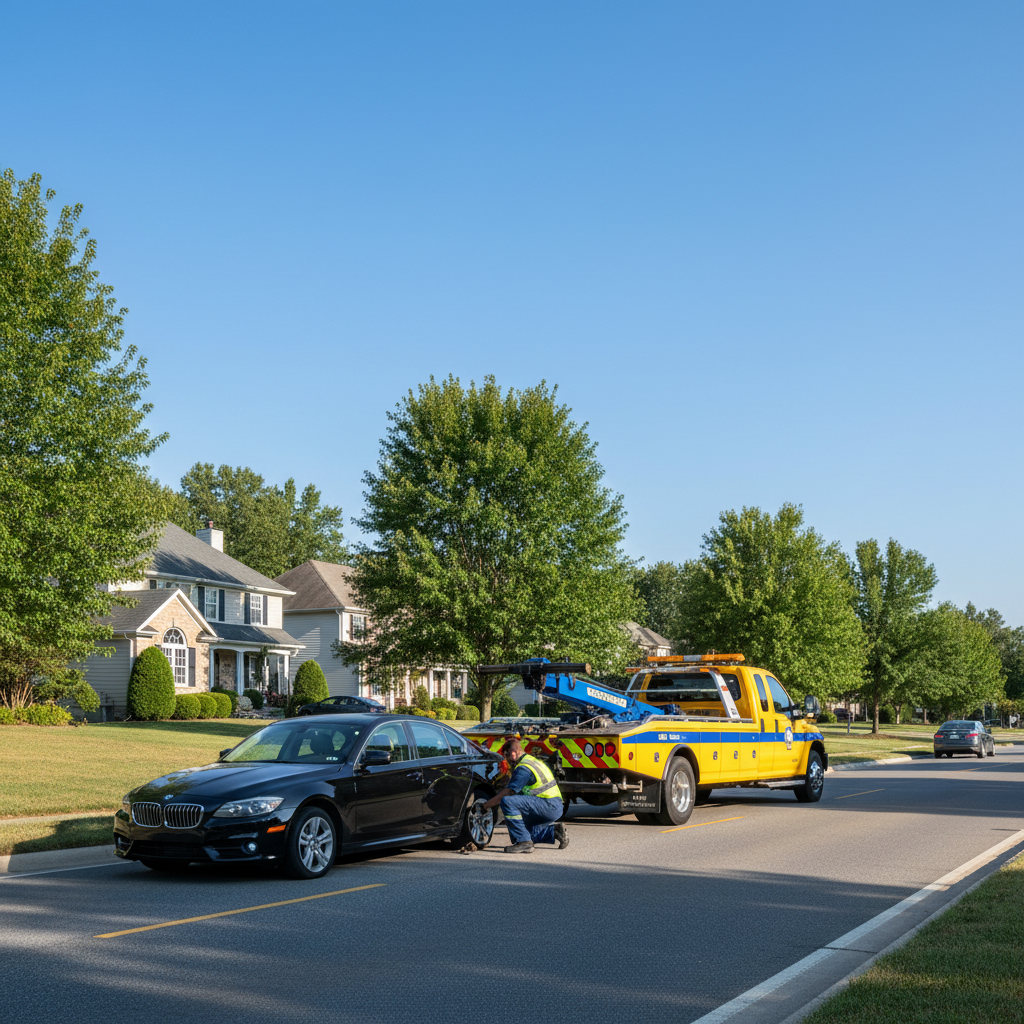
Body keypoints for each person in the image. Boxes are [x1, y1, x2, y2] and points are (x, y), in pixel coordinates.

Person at [483, 738, 569, 854]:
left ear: (513, 753)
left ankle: (524, 843)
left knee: (508, 801)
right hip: (553, 805)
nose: (506, 761)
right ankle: (555, 832)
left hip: (548, 805)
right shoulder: (531, 761)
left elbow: (509, 792)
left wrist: (486, 805)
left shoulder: (523, 768)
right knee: (519, 833)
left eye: (506, 756)